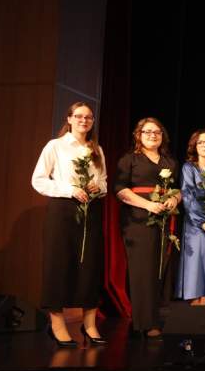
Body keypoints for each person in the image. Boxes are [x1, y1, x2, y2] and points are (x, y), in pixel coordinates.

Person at [31, 102, 108, 347]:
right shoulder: (55, 146)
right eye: (79, 116)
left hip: (91, 210)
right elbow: (38, 180)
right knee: (59, 265)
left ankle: (90, 324)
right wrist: (70, 189)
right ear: (69, 119)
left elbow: (104, 182)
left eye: (89, 117)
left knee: (90, 266)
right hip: (63, 211)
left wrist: (98, 187)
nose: (84, 120)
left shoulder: (96, 149)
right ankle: (57, 324)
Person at [115, 117, 181, 338]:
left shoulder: (169, 162)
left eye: (157, 132)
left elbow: (177, 189)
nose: (153, 135)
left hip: (163, 219)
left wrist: (174, 200)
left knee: (158, 269)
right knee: (142, 270)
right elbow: (120, 190)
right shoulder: (129, 159)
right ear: (139, 135)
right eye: (147, 132)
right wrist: (148, 205)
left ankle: (155, 318)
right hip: (137, 219)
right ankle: (144, 323)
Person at [175, 130, 205, 306]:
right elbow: (187, 196)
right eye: (201, 142)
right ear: (194, 146)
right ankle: (195, 312)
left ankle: (203, 309)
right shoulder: (189, 168)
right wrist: (202, 223)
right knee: (196, 269)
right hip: (196, 226)